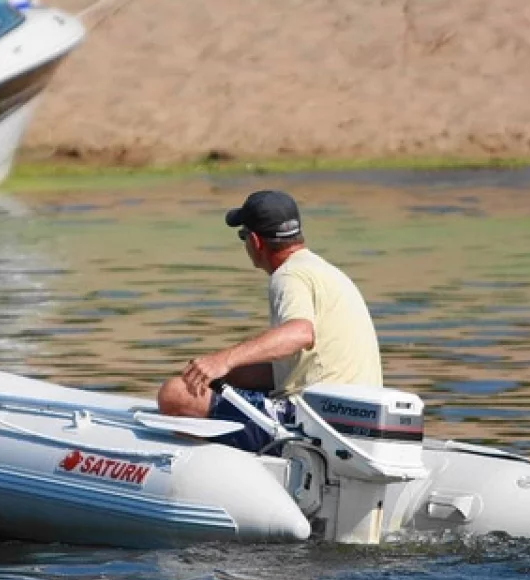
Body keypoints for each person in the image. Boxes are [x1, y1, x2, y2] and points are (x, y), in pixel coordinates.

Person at [156, 189, 383, 451]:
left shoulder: (289, 276)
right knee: (216, 383)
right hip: (359, 419)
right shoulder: (325, 272)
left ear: (255, 241)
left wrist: (222, 360)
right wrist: (224, 375)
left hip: (314, 424)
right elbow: (294, 367)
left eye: (243, 236)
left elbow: (300, 334)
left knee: (175, 394)